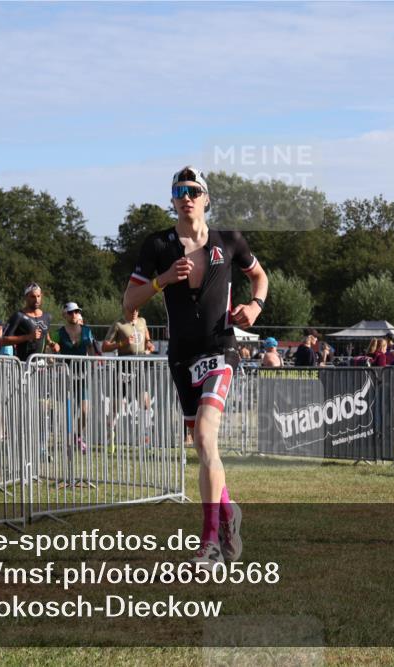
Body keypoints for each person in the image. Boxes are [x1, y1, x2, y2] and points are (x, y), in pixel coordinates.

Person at [123, 165, 268, 569]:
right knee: (202, 446)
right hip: (181, 356)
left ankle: (210, 545)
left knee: (205, 436)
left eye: (193, 190)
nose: (185, 196)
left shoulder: (228, 240)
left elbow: (260, 277)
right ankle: (228, 512)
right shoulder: (158, 245)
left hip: (220, 349)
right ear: (172, 199)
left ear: (206, 198)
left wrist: (255, 307)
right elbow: (128, 304)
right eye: (178, 190)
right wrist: (163, 279)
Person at [102, 306, 156, 447]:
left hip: (139, 367)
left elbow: (146, 336)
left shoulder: (142, 321)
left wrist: (149, 344)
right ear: (125, 309)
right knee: (116, 406)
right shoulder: (118, 324)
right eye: (132, 310)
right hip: (123, 367)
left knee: (145, 402)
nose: (135, 313)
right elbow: (104, 346)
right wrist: (122, 343)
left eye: (137, 310)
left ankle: (145, 435)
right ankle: (110, 435)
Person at [48, 302, 98, 453]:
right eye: (71, 312)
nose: (74, 314)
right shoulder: (58, 333)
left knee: (85, 411)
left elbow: (92, 349)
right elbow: (49, 352)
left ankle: (76, 435)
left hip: (82, 375)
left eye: (76, 312)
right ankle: (67, 441)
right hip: (66, 376)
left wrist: (94, 362)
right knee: (66, 411)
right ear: (65, 315)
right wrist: (53, 359)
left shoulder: (87, 331)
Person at [1, 283, 52, 362]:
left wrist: (52, 343)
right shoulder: (18, 316)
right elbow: (4, 341)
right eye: (33, 296)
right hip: (24, 364)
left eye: (38, 296)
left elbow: (45, 335)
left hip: (41, 365)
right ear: (26, 297)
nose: (36, 300)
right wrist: (28, 337)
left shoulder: (47, 316)